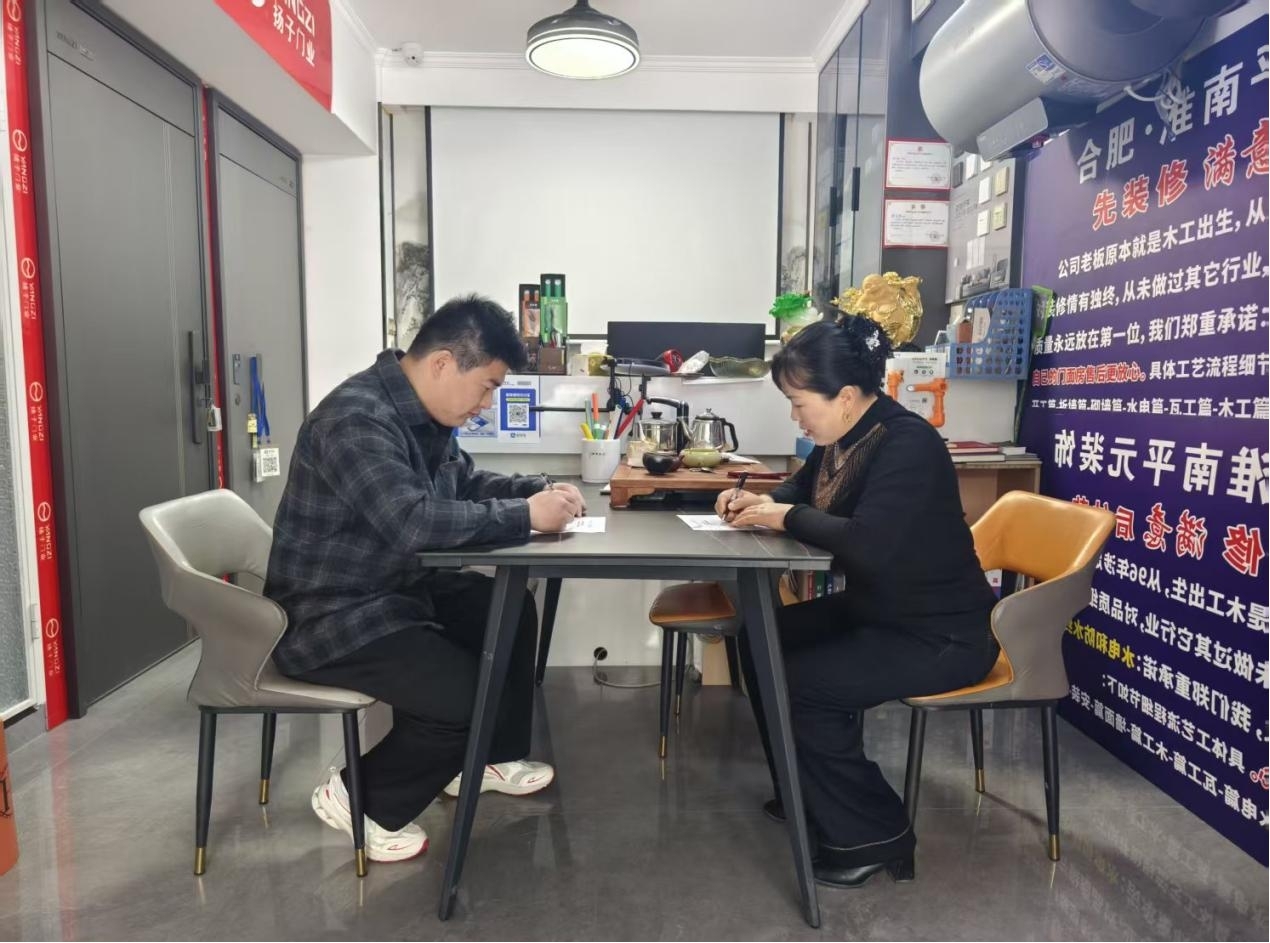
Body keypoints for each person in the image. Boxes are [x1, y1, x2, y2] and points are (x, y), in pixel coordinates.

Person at [265, 294, 586, 863]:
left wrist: (536, 490)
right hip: (331, 615)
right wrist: (525, 516)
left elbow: (463, 483)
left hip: (393, 588)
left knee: (505, 607)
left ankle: (485, 759)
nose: (487, 404)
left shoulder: (422, 415)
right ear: (442, 363)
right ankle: (361, 798)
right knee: (465, 698)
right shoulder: (355, 420)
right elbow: (412, 522)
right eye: (487, 387)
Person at [715, 314, 999, 889]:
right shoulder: (843, 437)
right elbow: (800, 491)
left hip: (941, 633)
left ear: (845, 396)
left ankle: (872, 835)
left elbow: (868, 544)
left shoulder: (907, 443)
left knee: (803, 682)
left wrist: (785, 516)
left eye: (799, 404)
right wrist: (755, 502)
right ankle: (804, 791)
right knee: (762, 639)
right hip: (881, 612)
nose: (795, 416)